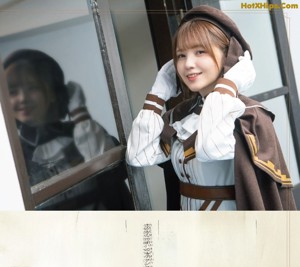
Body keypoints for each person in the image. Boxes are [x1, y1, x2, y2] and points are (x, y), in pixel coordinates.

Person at [126, 5, 296, 210]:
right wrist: (157, 94)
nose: (188, 64)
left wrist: (229, 83)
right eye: (181, 55)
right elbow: (138, 156)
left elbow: (210, 149)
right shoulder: (181, 115)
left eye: (200, 52)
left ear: (228, 57)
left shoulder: (249, 115)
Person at [4, 49, 134, 210]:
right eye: (13, 92)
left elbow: (115, 173)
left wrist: (79, 114)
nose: (22, 98)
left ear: (51, 92)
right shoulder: (12, 158)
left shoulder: (85, 131)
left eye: (32, 88)